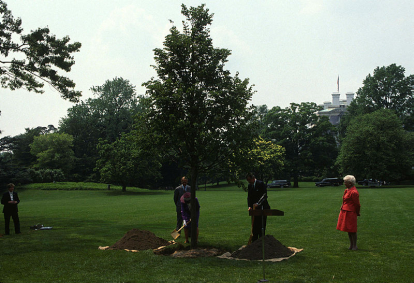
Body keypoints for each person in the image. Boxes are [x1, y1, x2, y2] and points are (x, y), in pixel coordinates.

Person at [337, 175, 361, 250]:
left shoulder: (354, 192)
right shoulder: (347, 190)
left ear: (350, 183)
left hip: (351, 212)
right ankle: (351, 245)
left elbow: (357, 204)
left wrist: (357, 212)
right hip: (345, 211)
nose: (344, 183)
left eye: (345, 182)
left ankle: (355, 245)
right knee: (348, 229)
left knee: (352, 229)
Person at [246, 172, 270, 243]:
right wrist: (250, 206)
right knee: (254, 225)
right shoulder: (250, 186)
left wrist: (258, 204)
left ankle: (261, 241)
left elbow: (264, 196)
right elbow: (249, 197)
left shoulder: (261, 184)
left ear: (253, 178)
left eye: (249, 180)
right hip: (254, 209)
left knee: (261, 225)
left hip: (262, 208)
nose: (249, 182)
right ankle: (254, 241)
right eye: (248, 181)